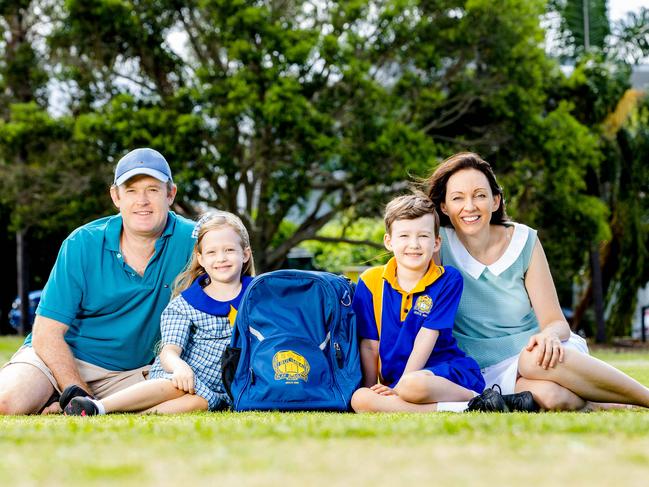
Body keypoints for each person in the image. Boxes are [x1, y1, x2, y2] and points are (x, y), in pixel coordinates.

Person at [426, 152, 649, 411]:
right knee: (555, 398)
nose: (470, 206)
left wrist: (549, 336)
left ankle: (645, 397)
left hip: (542, 353)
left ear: (495, 201)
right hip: (485, 368)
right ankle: (612, 405)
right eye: (457, 198)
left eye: (480, 195)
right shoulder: (437, 245)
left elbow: (555, 321)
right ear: (444, 207)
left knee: (532, 359)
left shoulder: (524, 241)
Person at [0, 148, 195, 415]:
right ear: (116, 196)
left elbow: (233, 285)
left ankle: (63, 405)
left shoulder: (194, 241)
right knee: (7, 403)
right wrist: (77, 392)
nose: (142, 200)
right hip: (61, 360)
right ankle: (59, 398)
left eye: (152, 189)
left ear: (170, 194)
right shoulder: (82, 242)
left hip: (135, 373)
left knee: (193, 391)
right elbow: (47, 334)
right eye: (131, 190)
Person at [64, 211, 255, 415]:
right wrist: (180, 367)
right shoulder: (185, 304)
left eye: (229, 250)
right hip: (180, 376)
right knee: (177, 385)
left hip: (217, 392)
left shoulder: (259, 297)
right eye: (212, 252)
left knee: (198, 404)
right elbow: (169, 351)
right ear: (200, 258)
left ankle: (130, 415)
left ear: (245, 254)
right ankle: (98, 406)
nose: (221, 258)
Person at [351, 194, 489, 413]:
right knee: (359, 398)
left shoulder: (447, 279)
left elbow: (427, 336)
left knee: (412, 385)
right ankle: (467, 408)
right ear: (389, 241)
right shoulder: (370, 281)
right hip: (396, 383)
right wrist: (372, 388)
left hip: (442, 375)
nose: (413, 245)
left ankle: (477, 398)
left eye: (423, 236)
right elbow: (369, 345)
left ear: (436, 243)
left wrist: (400, 387)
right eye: (404, 235)